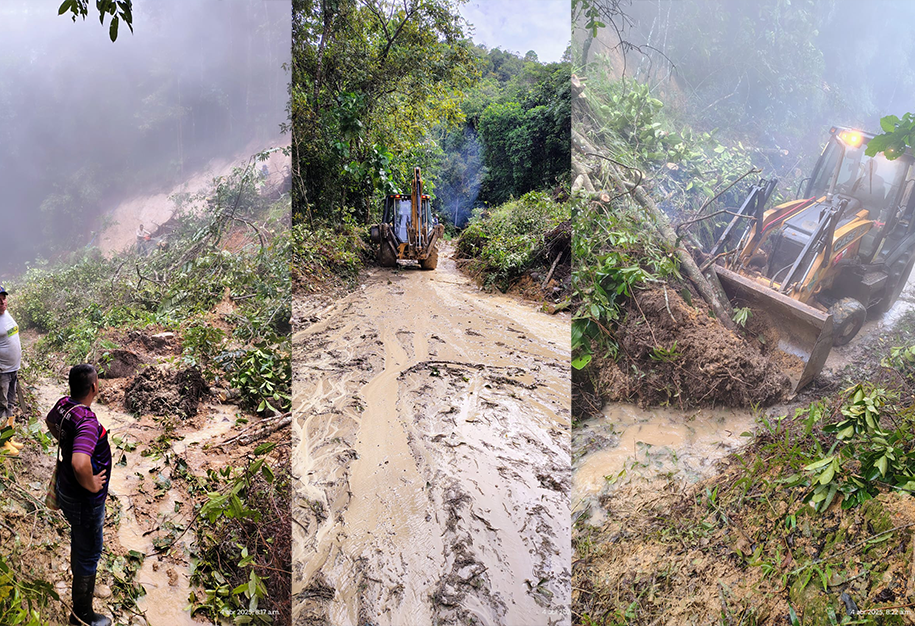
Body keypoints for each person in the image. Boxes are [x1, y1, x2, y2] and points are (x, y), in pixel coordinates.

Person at [46, 364, 112, 626]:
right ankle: (81, 616)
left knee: (80, 541)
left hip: (66, 490)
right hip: (84, 500)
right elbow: (79, 464)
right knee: (88, 552)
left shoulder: (64, 404)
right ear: (94, 387)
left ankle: (80, 606)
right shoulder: (87, 422)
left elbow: (50, 420)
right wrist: (93, 484)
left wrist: (65, 440)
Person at [0, 284, 23, 456]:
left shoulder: (6, 314)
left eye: (4, 298)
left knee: (10, 404)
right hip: (2, 371)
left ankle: (8, 438)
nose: (2, 303)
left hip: (13, 369)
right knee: (1, 406)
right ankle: (1, 443)